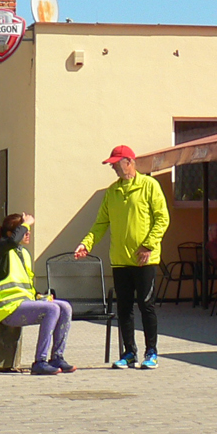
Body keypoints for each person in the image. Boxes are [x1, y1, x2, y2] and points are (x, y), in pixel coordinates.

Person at [74, 145, 169, 370]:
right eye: (112, 165)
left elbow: (162, 218)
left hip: (144, 259)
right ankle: (128, 353)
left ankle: (151, 352)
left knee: (146, 305)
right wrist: (86, 243)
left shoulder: (149, 186)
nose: (113, 168)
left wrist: (148, 245)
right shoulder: (112, 191)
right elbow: (101, 223)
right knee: (124, 308)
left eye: (116, 164)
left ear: (129, 162)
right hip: (119, 260)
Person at [0, 213, 75, 375]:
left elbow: (27, 287)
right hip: (4, 309)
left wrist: (39, 297)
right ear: (10, 233)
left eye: (28, 230)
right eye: (23, 230)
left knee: (65, 307)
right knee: (52, 309)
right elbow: (11, 242)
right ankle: (40, 361)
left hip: (22, 304)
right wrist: (26, 222)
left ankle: (57, 357)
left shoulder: (23, 253)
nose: (28, 233)